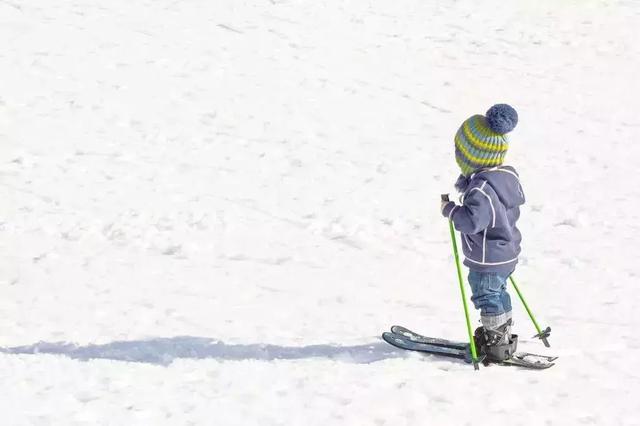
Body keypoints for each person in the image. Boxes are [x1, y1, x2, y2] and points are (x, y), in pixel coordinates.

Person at [440, 104, 524, 361]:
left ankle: (494, 342)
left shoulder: (481, 190)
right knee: (498, 293)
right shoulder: (505, 178)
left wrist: (450, 210)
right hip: (506, 252)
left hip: (487, 258)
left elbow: (472, 221)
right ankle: (502, 335)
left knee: (486, 295)